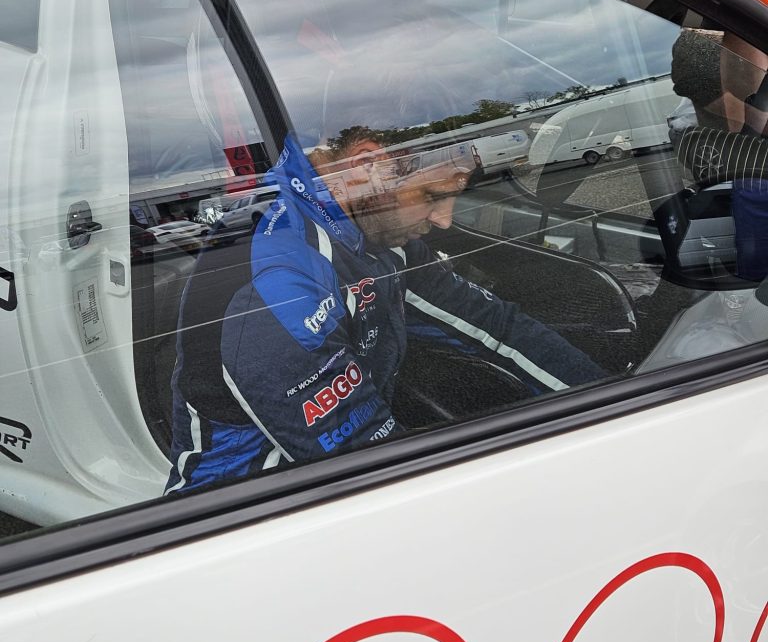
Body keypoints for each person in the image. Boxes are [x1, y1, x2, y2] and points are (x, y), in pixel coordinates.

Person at [165, 127, 604, 493]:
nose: (445, 219)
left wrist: (603, 398)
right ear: (367, 166)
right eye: (433, 196)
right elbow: (367, 464)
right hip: (250, 514)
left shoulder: (373, 235)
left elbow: (496, 326)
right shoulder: (281, 275)